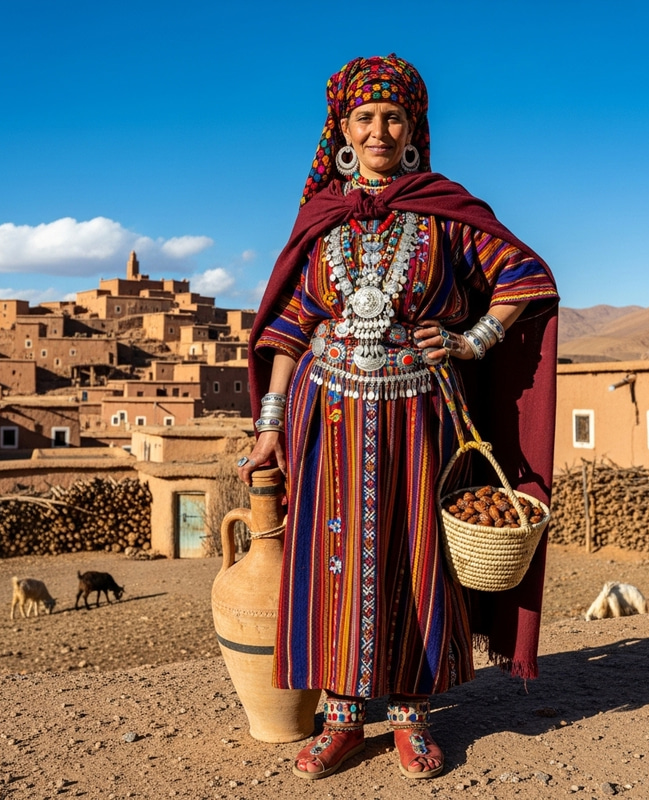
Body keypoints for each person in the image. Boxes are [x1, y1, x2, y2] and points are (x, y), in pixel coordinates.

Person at [238, 53, 559, 780]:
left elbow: (524, 278)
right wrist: (269, 423)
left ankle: (412, 715)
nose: (379, 130)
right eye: (365, 118)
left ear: (414, 127)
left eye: (393, 117)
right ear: (343, 129)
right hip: (328, 416)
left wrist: (472, 339)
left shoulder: (446, 213)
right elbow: (288, 324)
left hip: (421, 412)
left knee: (416, 553)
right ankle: (346, 715)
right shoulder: (321, 220)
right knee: (334, 558)